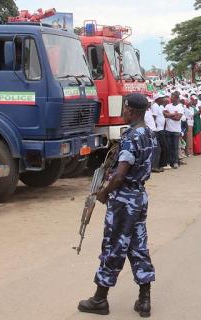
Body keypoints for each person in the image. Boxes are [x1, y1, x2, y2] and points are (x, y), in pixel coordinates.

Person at [78, 93, 156, 318]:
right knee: (137, 245)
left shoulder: (132, 136)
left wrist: (103, 192)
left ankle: (100, 299)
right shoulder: (149, 134)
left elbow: (120, 174)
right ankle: (144, 299)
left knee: (113, 246)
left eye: (124, 109)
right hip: (139, 196)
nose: (123, 112)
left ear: (131, 111)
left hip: (124, 200)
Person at [163, 91, 184, 169]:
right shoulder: (168, 106)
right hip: (168, 129)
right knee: (168, 147)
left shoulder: (180, 107)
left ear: (177, 98)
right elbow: (164, 114)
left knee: (175, 147)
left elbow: (178, 118)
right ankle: (169, 162)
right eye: (171, 97)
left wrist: (169, 115)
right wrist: (173, 114)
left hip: (176, 130)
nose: (171, 98)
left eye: (173, 97)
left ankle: (175, 162)